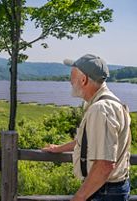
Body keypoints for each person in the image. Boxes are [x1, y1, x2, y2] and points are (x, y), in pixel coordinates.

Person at [43, 54, 131, 201]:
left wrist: (79, 198)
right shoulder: (110, 103)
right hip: (108, 189)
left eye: (72, 76)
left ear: (83, 80)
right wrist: (59, 148)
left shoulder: (100, 110)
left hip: (103, 192)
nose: (70, 81)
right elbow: (90, 141)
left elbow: (104, 165)